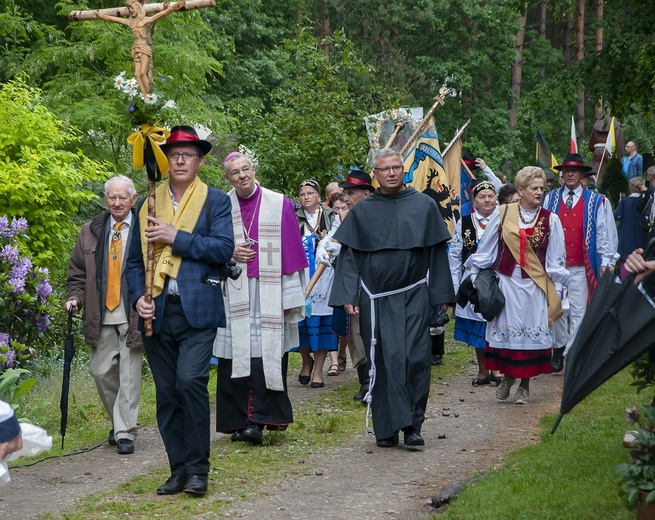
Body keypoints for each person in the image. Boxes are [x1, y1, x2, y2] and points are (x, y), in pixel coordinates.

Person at [125, 125, 234, 496]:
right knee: (169, 393)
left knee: (190, 382)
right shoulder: (147, 203)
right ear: (166, 160)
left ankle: (200, 469)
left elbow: (222, 250)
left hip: (199, 308)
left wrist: (176, 237)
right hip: (156, 310)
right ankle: (179, 469)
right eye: (174, 154)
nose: (181, 160)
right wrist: (138, 298)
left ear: (200, 161)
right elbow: (135, 262)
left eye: (188, 154)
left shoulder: (215, 201)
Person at [329, 148, 455, 448]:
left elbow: (436, 253)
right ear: (376, 173)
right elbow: (349, 257)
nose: (391, 173)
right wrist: (348, 294)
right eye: (385, 169)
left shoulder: (424, 205)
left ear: (403, 170)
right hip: (376, 298)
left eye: (396, 167)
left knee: (415, 359)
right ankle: (386, 428)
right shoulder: (363, 210)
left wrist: (440, 297)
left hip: (413, 294)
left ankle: (412, 424)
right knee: (382, 361)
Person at [213, 151, 307, 446]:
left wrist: (291, 295)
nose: (242, 176)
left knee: (265, 351)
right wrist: (229, 252)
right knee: (234, 355)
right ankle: (239, 420)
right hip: (233, 289)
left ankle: (260, 419)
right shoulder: (219, 205)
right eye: (235, 172)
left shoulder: (278, 204)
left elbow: (291, 251)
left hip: (269, 288)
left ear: (253, 169)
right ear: (226, 178)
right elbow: (208, 245)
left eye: (246, 169)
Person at [465, 166, 570, 404]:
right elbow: (488, 249)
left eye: (541, 188)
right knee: (509, 337)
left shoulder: (550, 219)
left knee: (530, 338)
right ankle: (508, 377)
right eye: (534, 188)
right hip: (507, 285)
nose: (539, 192)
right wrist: (474, 272)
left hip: (535, 287)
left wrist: (559, 288)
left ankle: (524, 385)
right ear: (520, 190)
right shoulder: (502, 214)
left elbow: (555, 261)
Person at [66, 176, 143, 455]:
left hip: (133, 311)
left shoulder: (144, 229)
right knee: (100, 371)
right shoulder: (90, 231)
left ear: (133, 200)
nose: (117, 202)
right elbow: (77, 272)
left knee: (130, 374)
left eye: (123, 197)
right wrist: (74, 297)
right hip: (101, 313)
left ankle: (125, 432)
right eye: (112, 197)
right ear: (105, 199)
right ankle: (119, 421)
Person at [543, 153, 618, 372]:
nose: (570, 174)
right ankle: (558, 346)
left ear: (583, 175)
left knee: (578, 312)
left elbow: (606, 234)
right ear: (562, 175)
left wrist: (607, 260)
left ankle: (572, 354)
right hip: (556, 266)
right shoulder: (551, 199)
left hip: (580, 267)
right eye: (566, 171)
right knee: (556, 310)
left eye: (575, 171)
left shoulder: (597, 201)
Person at [316, 167, 375, 402]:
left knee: (371, 334)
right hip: (349, 284)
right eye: (346, 192)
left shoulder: (376, 215)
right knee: (353, 333)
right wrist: (324, 248)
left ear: (366, 194)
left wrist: (351, 247)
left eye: (352, 192)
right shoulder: (345, 217)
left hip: (372, 284)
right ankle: (364, 382)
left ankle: (376, 381)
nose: (347, 197)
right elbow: (332, 238)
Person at [449, 181, 502, 386]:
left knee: (496, 322)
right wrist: (455, 287)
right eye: (482, 197)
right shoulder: (465, 222)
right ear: (474, 201)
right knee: (478, 324)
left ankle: (497, 368)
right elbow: (454, 255)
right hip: (471, 281)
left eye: (490, 195)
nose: (487, 199)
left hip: (497, 279)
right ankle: (482, 370)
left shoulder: (503, 220)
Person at [293, 180, 338, 386]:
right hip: (300, 276)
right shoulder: (295, 218)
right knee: (299, 320)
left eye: (310, 193)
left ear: (319, 196)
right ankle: (306, 361)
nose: (306, 197)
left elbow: (338, 241)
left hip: (325, 278)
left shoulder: (331, 216)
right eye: (302, 194)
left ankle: (318, 370)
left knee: (322, 323)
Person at [96, 0, 186, 95]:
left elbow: (161, 14)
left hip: (144, 48)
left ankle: (148, 95)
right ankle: (144, 96)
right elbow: (114, 19)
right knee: (137, 74)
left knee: (143, 72)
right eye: (129, 9)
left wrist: (172, 8)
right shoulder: (130, 22)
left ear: (138, 8)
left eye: (132, 8)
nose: (131, 10)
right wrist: (102, 16)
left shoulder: (146, 20)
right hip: (135, 48)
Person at [614, 177, 649, 280]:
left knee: (625, 271)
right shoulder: (646, 201)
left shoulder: (625, 201)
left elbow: (616, 216)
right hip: (642, 241)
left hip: (626, 241)